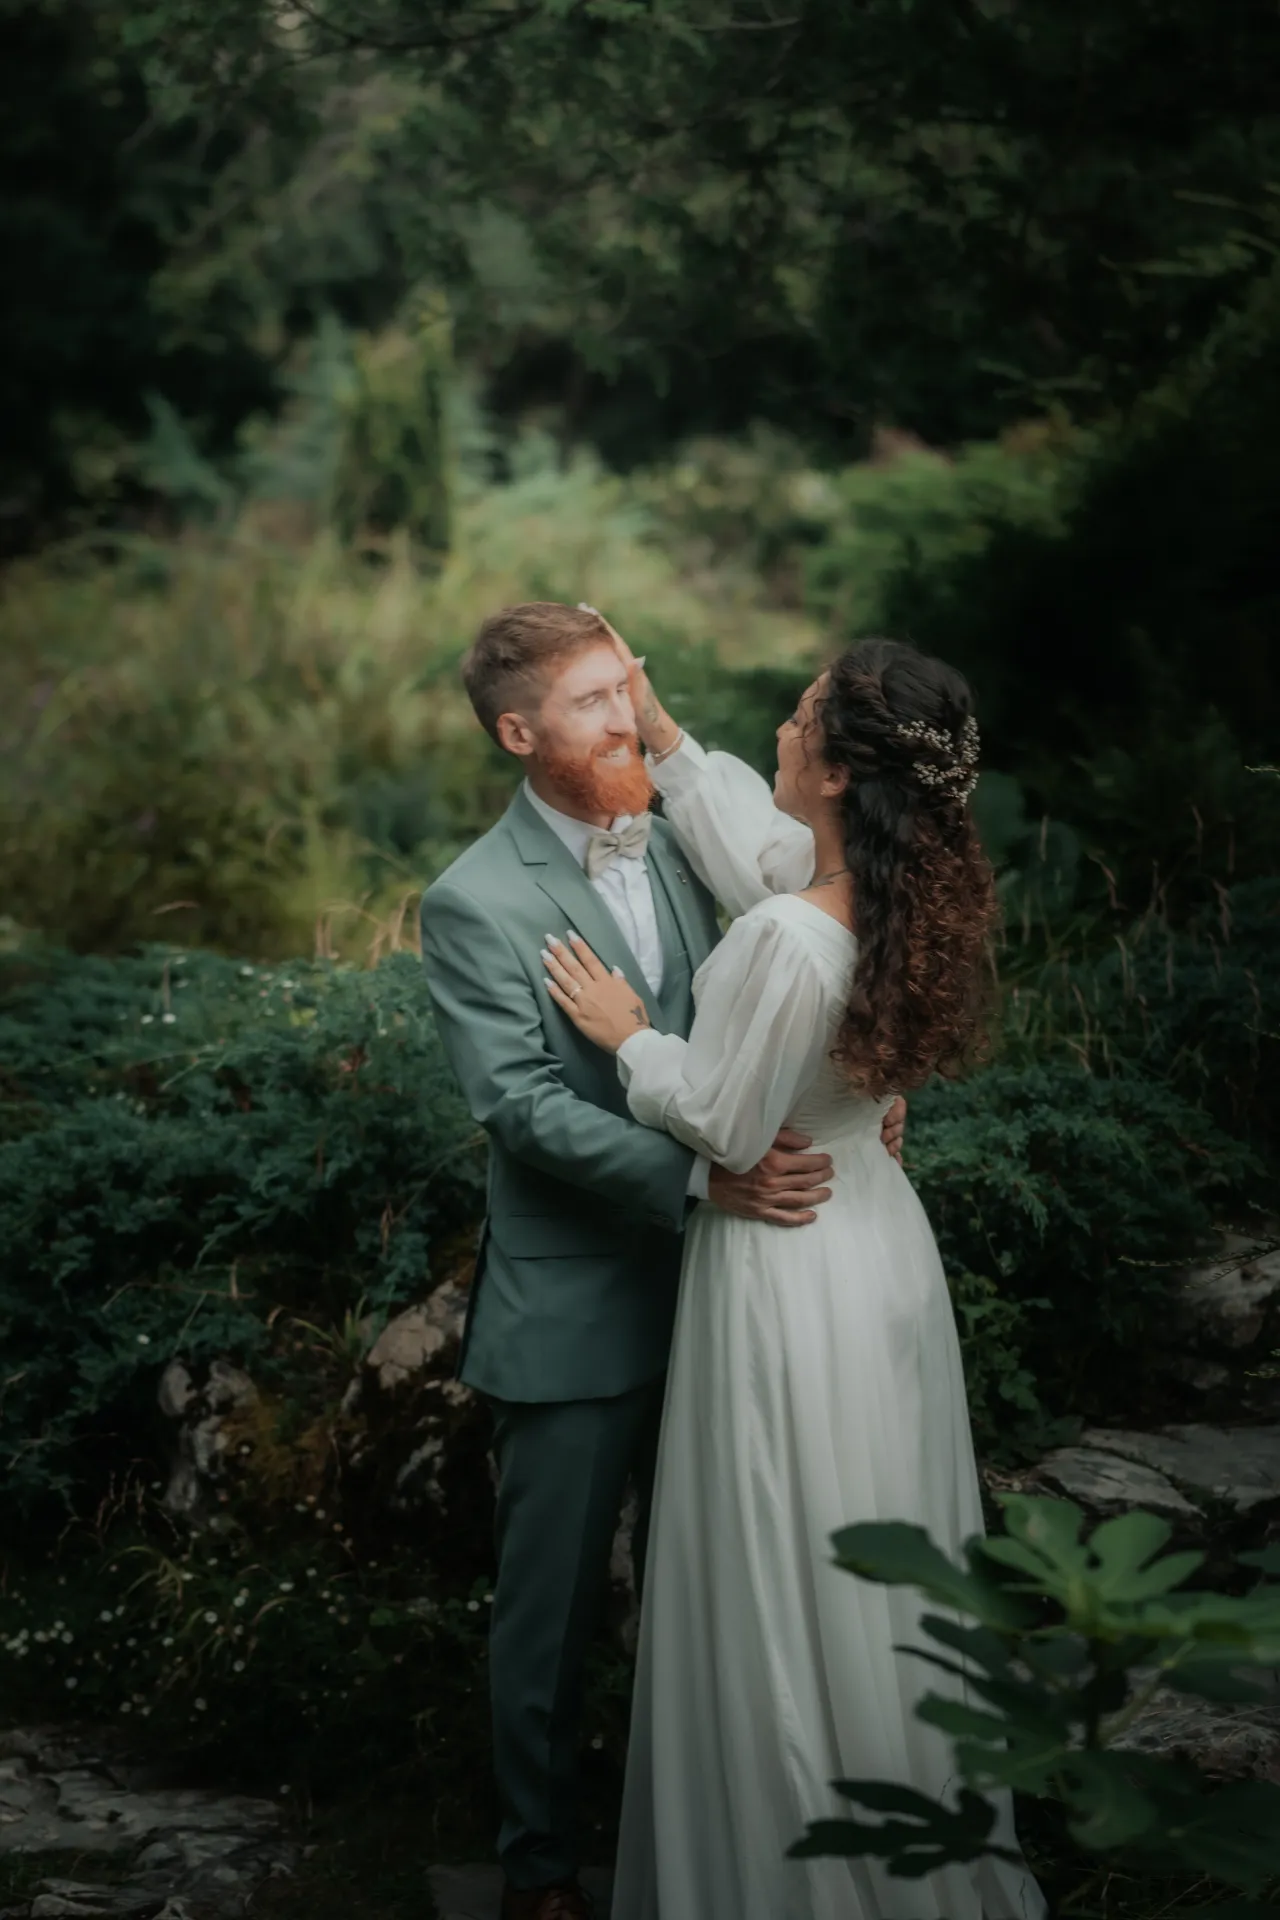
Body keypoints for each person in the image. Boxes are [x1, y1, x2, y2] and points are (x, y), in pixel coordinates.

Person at [541, 635, 1046, 1920]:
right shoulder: (894, 893)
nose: (774, 732)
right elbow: (755, 859)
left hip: (783, 1262)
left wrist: (630, 1037)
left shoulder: (784, 934)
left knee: (784, 1553)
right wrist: (658, 730)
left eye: (794, 716)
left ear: (829, 771)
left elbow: (714, 1115)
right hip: (873, 1247)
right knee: (868, 1545)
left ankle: (791, 1869)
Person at [418, 603, 907, 1920]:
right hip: (576, 1308)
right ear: (520, 733)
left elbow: (794, 974)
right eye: (589, 702)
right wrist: (705, 1176)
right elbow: (520, 1106)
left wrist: (861, 1078)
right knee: (552, 1614)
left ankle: (701, 1848)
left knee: (726, 1600)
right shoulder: (473, 900)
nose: (623, 717)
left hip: (740, 1304)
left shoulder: (691, 852)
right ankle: (536, 1873)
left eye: (623, 689)